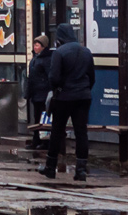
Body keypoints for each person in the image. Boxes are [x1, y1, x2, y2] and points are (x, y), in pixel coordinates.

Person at [39, 23, 95, 182]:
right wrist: (84, 89)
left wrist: (57, 88)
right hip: (83, 97)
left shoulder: (60, 53)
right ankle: (81, 170)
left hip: (64, 97)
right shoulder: (86, 52)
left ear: (60, 37)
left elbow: (54, 78)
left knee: (57, 132)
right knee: (81, 132)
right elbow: (92, 77)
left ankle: (50, 168)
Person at [23, 34, 52, 149]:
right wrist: (28, 93)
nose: (35, 47)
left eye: (38, 45)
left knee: (44, 118)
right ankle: (36, 140)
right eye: (34, 45)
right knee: (36, 119)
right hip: (36, 94)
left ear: (43, 46)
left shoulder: (47, 60)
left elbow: (50, 76)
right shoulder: (35, 59)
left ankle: (45, 142)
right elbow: (31, 78)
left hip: (44, 94)